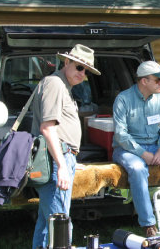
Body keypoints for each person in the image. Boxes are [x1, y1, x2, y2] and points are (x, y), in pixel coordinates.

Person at [31, 44, 101, 249]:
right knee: (60, 224)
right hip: (55, 160)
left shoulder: (63, 86)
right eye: (79, 67)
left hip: (63, 157)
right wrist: (62, 164)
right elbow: (47, 128)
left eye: (86, 70)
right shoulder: (55, 83)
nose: (83, 73)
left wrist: (70, 159)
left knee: (47, 222)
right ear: (66, 62)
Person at [112, 61, 160, 237]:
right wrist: (142, 154)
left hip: (155, 146)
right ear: (144, 81)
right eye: (158, 80)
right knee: (138, 168)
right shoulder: (123, 99)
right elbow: (121, 135)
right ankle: (148, 223)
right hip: (127, 149)